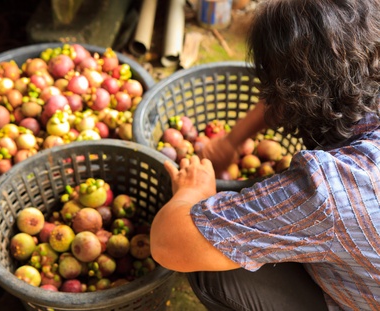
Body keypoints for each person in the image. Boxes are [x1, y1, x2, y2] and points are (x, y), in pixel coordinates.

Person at [150, 0, 380, 310]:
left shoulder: (330, 187)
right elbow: (310, 85)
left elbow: (169, 244)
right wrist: (233, 140)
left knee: (215, 269)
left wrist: (192, 194)